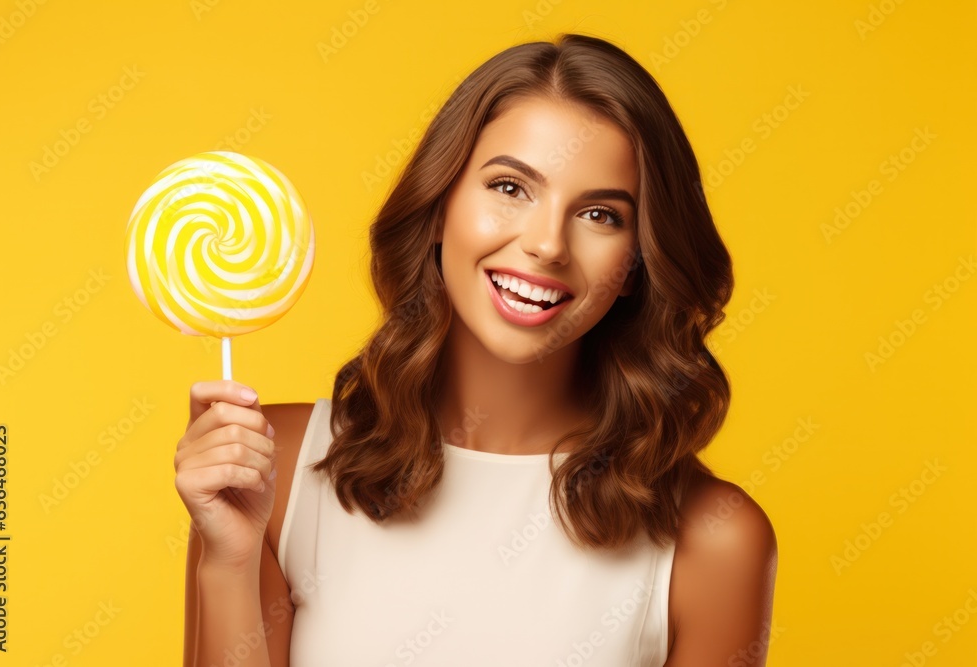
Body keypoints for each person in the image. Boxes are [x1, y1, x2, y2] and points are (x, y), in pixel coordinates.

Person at [175, 33, 778, 666]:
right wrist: (228, 562)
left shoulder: (716, 541)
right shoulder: (273, 466)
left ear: (636, 264)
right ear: (440, 206)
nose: (547, 244)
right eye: (510, 188)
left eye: (601, 215)